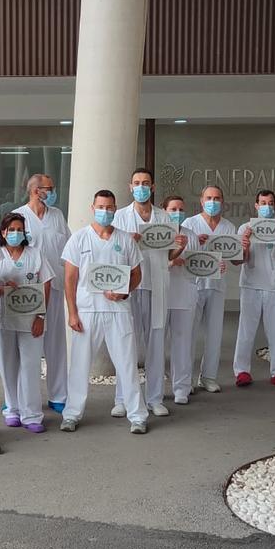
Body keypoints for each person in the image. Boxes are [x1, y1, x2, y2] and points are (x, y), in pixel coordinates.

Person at [60, 190, 146, 434]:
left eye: (109, 208)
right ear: (92, 207)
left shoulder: (125, 240)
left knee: (127, 363)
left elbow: (137, 274)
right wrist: (73, 313)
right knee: (79, 364)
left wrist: (125, 292)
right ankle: (72, 414)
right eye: (101, 207)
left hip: (118, 310)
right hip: (87, 311)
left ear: (115, 208)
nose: (105, 211)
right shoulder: (79, 239)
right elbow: (69, 279)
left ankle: (137, 415)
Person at [111, 168, 179, 417]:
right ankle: (122, 398)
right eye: (137, 183)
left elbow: (170, 254)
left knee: (156, 342)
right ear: (130, 187)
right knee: (126, 343)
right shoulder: (119, 217)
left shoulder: (164, 217)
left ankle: (154, 398)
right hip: (129, 285)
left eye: (146, 183)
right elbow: (111, 248)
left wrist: (179, 248)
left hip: (156, 284)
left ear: (152, 186)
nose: (141, 187)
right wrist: (126, 239)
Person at [12, 174, 71, 413]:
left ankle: (58, 395)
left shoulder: (56, 215)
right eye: (50, 188)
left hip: (54, 288)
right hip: (26, 290)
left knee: (56, 344)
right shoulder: (19, 216)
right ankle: (20, 398)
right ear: (36, 191)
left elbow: (68, 247)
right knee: (25, 347)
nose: (53, 192)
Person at [0, 212, 52, 432]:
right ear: (3, 232)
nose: (15, 233)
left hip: (32, 321)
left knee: (30, 367)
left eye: (19, 229)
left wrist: (41, 317)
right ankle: (12, 409)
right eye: (11, 230)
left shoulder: (35, 254)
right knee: (7, 365)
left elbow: (46, 284)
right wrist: (3, 288)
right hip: (3, 320)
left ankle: (32, 415)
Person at [234, 190, 275, 388]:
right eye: (263, 203)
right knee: (246, 329)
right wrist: (244, 243)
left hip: (274, 285)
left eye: (270, 203)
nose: (267, 206)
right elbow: (240, 259)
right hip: (251, 284)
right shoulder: (245, 228)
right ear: (256, 206)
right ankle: (241, 370)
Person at [182, 185, 236, 392]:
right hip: (193, 285)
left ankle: (208, 376)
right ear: (202, 200)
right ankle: (186, 378)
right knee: (189, 333)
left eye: (217, 198)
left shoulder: (229, 227)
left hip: (217, 285)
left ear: (222, 201)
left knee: (215, 332)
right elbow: (180, 254)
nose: (213, 201)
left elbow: (234, 257)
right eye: (209, 198)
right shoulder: (190, 224)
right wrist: (196, 242)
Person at [162, 196, 202, 404]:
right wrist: (171, 262)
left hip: (185, 294)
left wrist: (215, 267)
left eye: (180, 209)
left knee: (183, 344)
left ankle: (182, 389)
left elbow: (198, 264)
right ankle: (156, 389)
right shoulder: (158, 234)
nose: (177, 213)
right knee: (157, 346)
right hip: (161, 295)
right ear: (164, 210)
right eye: (173, 209)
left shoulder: (191, 235)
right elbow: (151, 264)